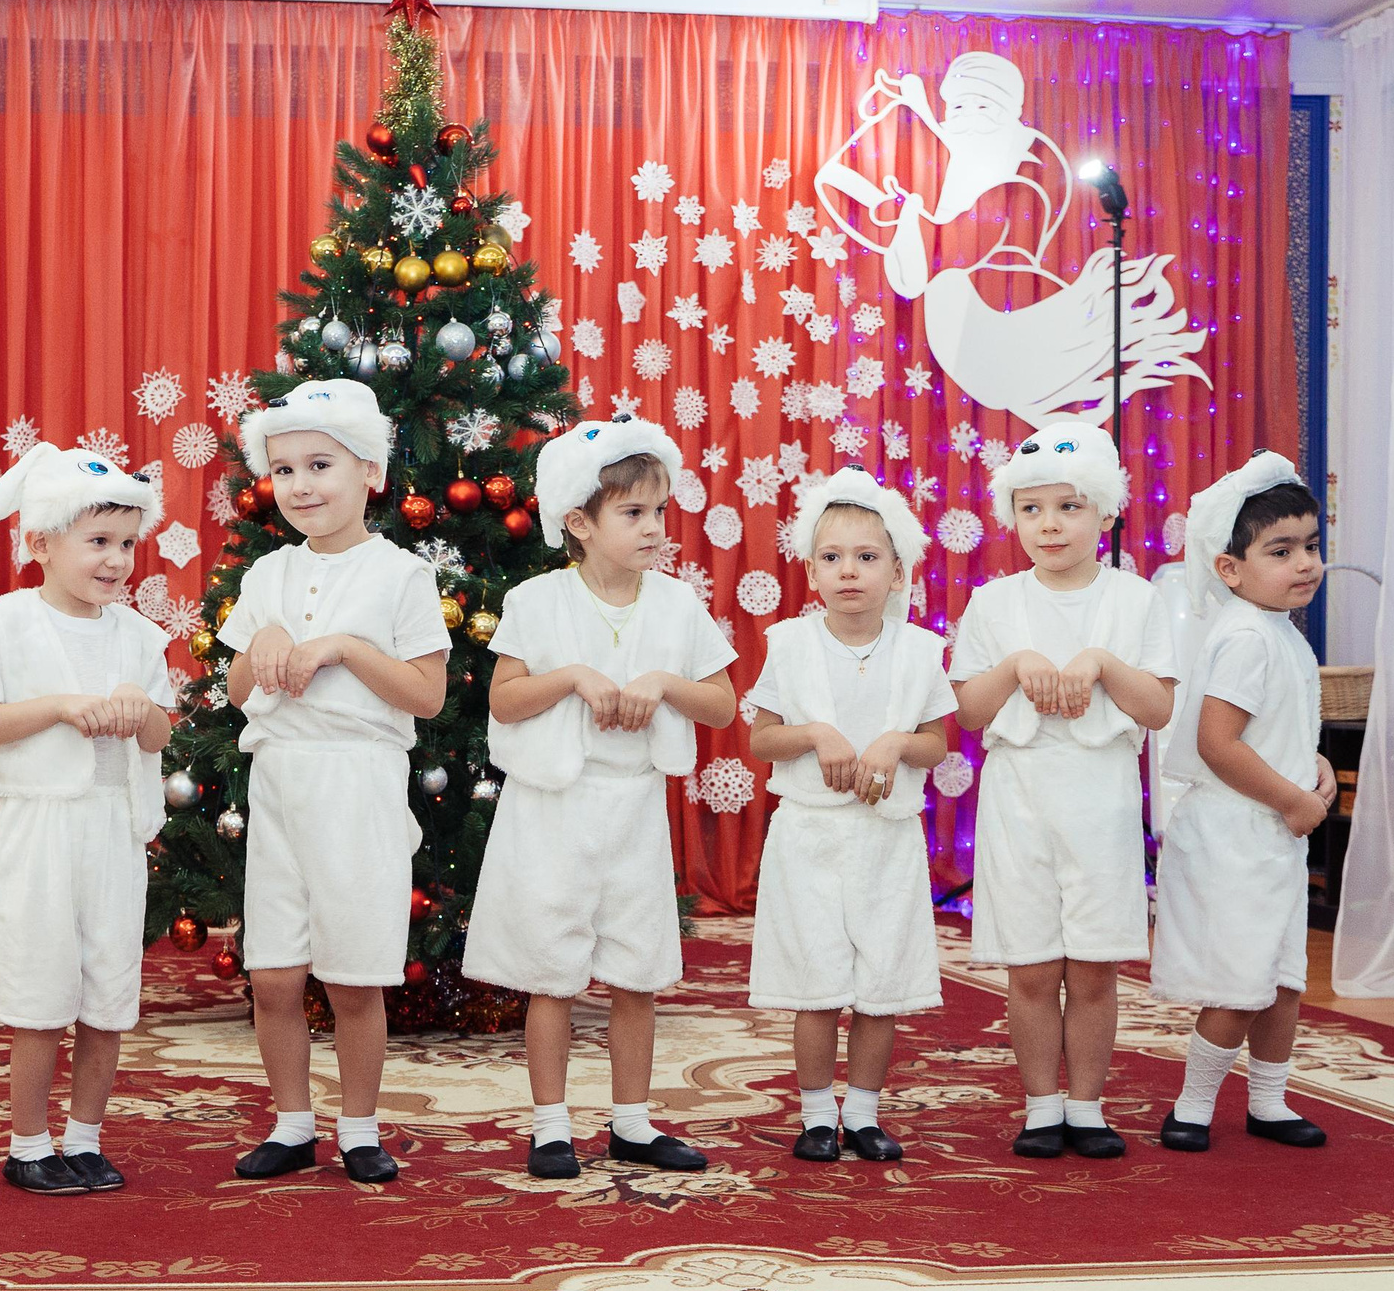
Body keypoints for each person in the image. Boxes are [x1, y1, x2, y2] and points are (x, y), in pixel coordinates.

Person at [463, 416, 736, 1180]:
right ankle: (550, 1126)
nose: (655, 528)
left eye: (659, 511)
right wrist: (576, 677)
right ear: (578, 523)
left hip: (633, 808)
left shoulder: (677, 605)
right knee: (553, 972)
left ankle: (632, 1122)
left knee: (637, 969)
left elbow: (719, 705)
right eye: (634, 513)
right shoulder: (537, 601)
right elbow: (506, 699)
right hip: (554, 809)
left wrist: (661, 684)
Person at [219, 378, 448, 1185]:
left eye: (321, 465)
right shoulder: (266, 576)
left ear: (371, 474)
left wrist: (346, 646)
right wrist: (269, 633)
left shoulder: (401, 576)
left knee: (353, 975)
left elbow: (426, 695)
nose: (301, 486)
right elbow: (239, 688)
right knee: (274, 973)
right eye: (284, 471)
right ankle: (289, 1123)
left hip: (359, 787)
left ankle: (358, 1128)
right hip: (280, 782)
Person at [949, 418, 1176, 1159]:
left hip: (1101, 796)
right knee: (1033, 963)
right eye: (1031, 508)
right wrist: (1017, 664)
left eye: (1070, 507)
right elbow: (969, 711)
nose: (1049, 524)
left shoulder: (1136, 600)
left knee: (1095, 965)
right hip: (1020, 796)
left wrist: (1102, 663)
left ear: (1107, 513)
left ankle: (1088, 1105)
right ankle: (1041, 1104)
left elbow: (1159, 707)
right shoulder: (994, 604)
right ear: (1010, 514)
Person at [0, 445, 173, 1195]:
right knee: (41, 991)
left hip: (111, 827)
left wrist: (140, 711)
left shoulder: (140, 637)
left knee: (108, 989)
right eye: (97, 542)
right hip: (41, 829)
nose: (115, 562)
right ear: (42, 543)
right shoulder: (9, 623)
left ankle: (84, 1137)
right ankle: (28, 1144)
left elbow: (160, 734)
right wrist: (59, 707)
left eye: (126, 545)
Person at [746, 467, 955, 1164]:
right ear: (811, 570)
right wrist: (815, 733)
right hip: (809, 834)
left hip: (887, 837)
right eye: (833, 558)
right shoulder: (789, 644)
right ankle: (814, 1115)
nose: (850, 572)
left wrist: (897, 743)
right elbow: (761, 738)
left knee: (879, 985)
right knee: (817, 983)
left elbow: (937, 742)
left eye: (868, 558)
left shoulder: (921, 651)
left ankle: (862, 1112)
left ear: (898, 573)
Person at [1150, 454, 1334, 1154]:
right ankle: (1192, 1108)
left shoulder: (1279, 631)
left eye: (1312, 546)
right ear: (1230, 568)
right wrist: (1293, 799)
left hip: (1272, 829)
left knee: (1283, 977)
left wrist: (1310, 765)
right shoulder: (1246, 636)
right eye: (1281, 551)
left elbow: (1275, 727)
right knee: (1240, 982)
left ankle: (1269, 1101)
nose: (1305, 564)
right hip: (1239, 832)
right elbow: (1220, 743)